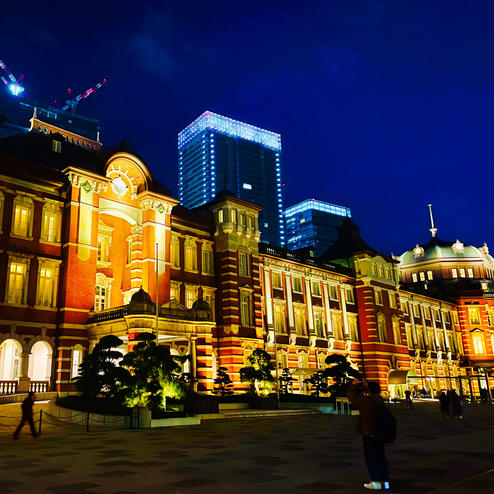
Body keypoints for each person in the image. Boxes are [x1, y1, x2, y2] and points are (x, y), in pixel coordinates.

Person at [347, 379, 391, 491]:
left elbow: (351, 397)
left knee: (371, 459)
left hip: (370, 433)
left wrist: (353, 385)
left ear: (369, 390)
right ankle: (385, 483)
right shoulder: (380, 400)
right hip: (380, 433)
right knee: (381, 458)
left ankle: (375, 483)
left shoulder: (367, 401)